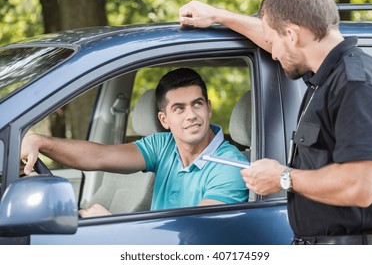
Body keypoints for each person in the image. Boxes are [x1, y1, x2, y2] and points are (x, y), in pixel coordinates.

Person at [179, 0, 372, 245]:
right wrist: (218, 16)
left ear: (291, 34)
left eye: (273, 42)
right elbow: (273, 36)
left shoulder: (356, 83)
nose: (273, 52)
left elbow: (362, 185)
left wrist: (282, 176)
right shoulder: (325, 76)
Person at [21, 67, 249, 217]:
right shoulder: (164, 145)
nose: (191, 115)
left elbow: (193, 237)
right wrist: (41, 142)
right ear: (164, 120)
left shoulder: (229, 166)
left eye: (197, 104)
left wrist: (110, 226)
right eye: (179, 108)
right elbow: (98, 156)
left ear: (208, 108)